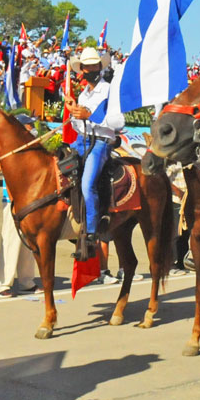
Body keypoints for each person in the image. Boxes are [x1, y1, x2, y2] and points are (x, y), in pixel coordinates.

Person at [64, 47, 125, 264]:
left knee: (87, 184)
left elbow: (119, 122)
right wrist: (74, 112)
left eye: (93, 66)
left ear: (100, 67)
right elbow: (78, 125)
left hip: (100, 143)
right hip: (82, 140)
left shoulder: (109, 90)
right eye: (86, 66)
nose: (90, 70)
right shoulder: (83, 94)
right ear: (81, 69)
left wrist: (89, 115)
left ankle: (91, 231)